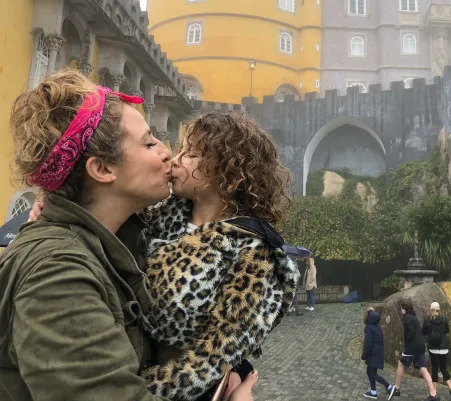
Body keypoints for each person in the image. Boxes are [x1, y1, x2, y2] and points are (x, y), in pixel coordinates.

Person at [0, 70, 173, 400]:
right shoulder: (57, 271)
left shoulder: (112, 243)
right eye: (149, 142)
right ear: (103, 169)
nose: (167, 152)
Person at [136, 111, 298, 400]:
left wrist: (129, 388)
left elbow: (212, 359)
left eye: (192, 154)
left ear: (230, 172)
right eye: (181, 149)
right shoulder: (156, 215)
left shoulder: (254, 253)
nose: (176, 159)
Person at [391, 300, 439, 401]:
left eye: (401, 309)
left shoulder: (406, 317)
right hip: (421, 346)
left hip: (412, 347)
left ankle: (397, 388)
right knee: (423, 368)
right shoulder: (414, 317)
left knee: (400, 364)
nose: (401, 310)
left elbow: (410, 332)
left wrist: (408, 341)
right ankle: (433, 394)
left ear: (404, 309)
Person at [422, 302, 451, 400]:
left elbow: (423, 332)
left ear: (431, 309)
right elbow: (447, 331)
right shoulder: (444, 319)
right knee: (444, 368)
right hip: (443, 347)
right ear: (439, 309)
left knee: (434, 369)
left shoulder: (427, 319)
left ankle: (434, 392)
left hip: (433, 348)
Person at [361, 307, 394, 399]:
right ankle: (373, 392)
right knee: (370, 371)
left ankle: (389, 387)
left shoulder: (368, 328)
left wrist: (363, 357)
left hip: (373, 353)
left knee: (372, 373)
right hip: (378, 352)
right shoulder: (377, 326)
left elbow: (368, 344)